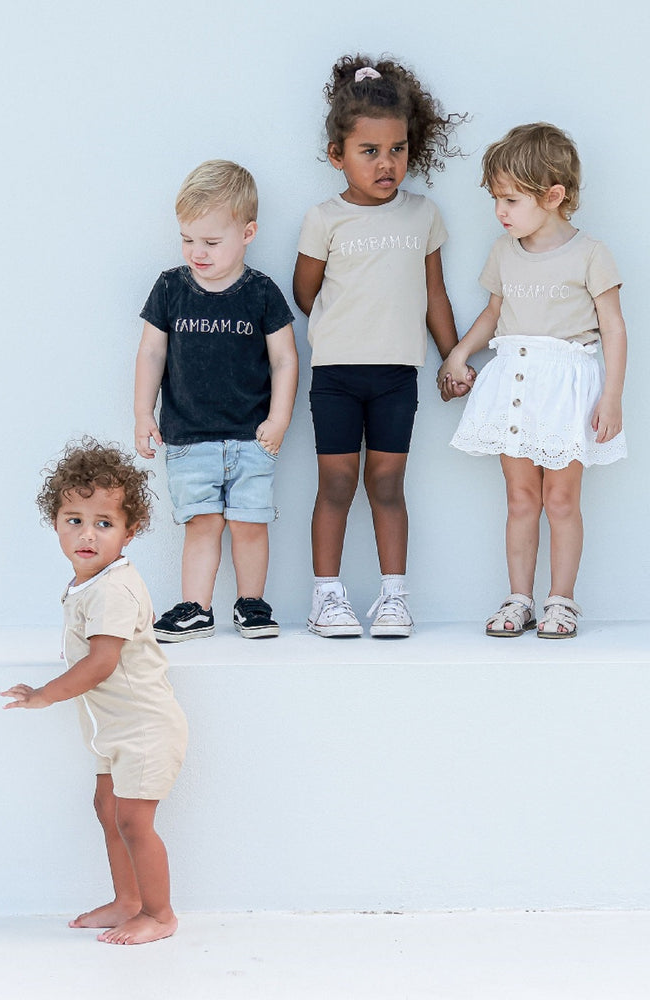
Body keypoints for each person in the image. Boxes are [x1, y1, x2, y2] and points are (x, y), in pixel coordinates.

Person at [293, 54, 472, 638]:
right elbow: (305, 292)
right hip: (337, 374)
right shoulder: (324, 218)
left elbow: (435, 295)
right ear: (337, 156)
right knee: (337, 484)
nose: (386, 162)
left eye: (396, 149)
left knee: (388, 484)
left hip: (398, 374)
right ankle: (326, 598)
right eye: (369, 151)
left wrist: (455, 355)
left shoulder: (423, 214)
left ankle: (395, 597)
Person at [439, 122, 629, 638]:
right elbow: (494, 313)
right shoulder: (505, 251)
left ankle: (561, 601)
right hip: (516, 381)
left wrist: (611, 396)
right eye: (497, 199)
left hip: (567, 384)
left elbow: (612, 327)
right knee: (521, 498)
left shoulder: (590, 253)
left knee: (562, 500)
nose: (500, 212)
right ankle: (519, 598)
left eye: (510, 200)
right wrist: (458, 353)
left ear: (553, 196)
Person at [1, 439, 187, 946]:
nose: (87, 534)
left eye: (104, 523)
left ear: (132, 530)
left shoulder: (112, 589)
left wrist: (44, 695)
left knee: (133, 821)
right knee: (107, 810)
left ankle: (160, 912)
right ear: (56, 523)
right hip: (112, 730)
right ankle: (128, 901)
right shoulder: (87, 582)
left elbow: (101, 663)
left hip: (143, 728)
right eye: (74, 519)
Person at [134, 160, 299, 642]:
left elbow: (285, 359)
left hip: (252, 438)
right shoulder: (171, 288)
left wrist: (280, 419)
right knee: (201, 525)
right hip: (188, 437)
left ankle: (251, 604)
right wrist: (144, 412)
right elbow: (151, 350)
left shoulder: (261, 292)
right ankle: (195, 609)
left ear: (247, 233)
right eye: (187, 239)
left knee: (250, 524)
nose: (196, 252)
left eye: (210, 242)